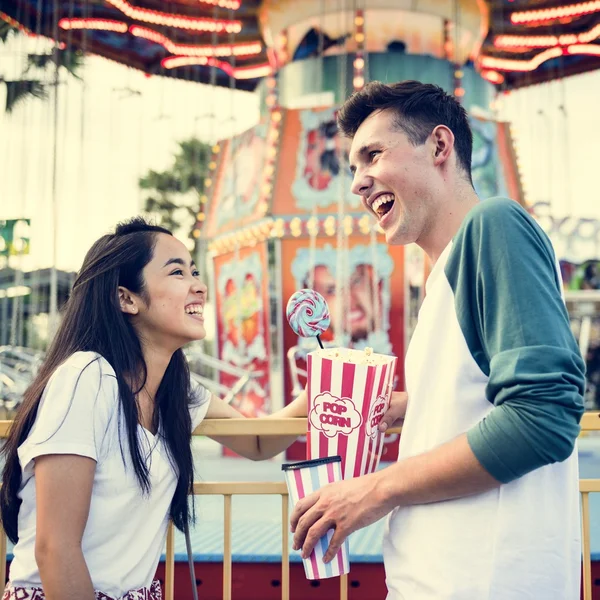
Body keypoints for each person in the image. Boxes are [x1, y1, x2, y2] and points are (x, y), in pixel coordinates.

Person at [289, 80, 585, 600]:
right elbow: (482, 401)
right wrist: (410, 407)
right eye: (353, 169)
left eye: (373, 155)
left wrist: (373, 490)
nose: (358, 183)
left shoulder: (495, 226)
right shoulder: (443, 277)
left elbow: (543, 415)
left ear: (440, 146)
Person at [0, 218, 313, 600]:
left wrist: (324, 385)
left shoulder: (176, 390)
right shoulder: (87, 378)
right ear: (126, 298)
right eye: (177, 272)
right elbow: (55, 547)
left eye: (194, 271)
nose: (199, 285)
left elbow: (260, 441)